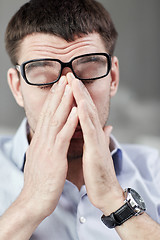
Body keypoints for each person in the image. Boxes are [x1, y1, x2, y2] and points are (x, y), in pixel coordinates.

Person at [0, 0, 160, 239]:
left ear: (113, 78)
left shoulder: (155, 170)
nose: (72, 97)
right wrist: (30, 203)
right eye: (44, 77)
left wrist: (114, 199)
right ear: (16, 87)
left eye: (89, 74)